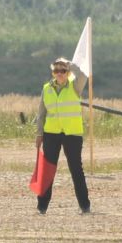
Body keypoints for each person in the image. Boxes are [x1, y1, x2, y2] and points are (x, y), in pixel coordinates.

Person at [34, 56, 91, 215]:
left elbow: (84, 75)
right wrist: (39, 134)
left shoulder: (75, 86)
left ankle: (84, 205)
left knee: (76, 170)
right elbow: (41, 113)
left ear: (67, 72)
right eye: (56, 70)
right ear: (53, 72)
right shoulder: (46, 88)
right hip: (51, 134)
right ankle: (42, 206)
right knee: (47, 170)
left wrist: (70, 64)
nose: (59, 73)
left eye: (63, 70)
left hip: (72, 134)